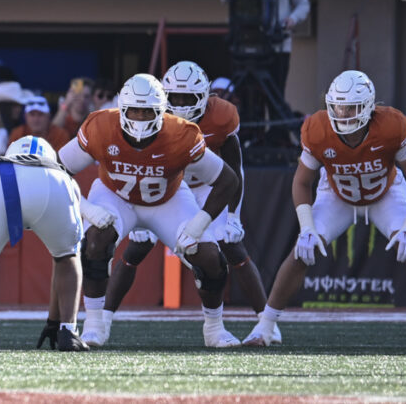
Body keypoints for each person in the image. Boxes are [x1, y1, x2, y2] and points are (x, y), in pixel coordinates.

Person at [243, 70, 406, 349]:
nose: (343, 112)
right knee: (302, 251)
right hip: (336, 195)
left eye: (350, 106)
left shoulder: (391, 125)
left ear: (368, 107)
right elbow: (302, 182)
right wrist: (306, 228)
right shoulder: (318, 129)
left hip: (385, 193)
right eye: (338, 105)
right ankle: (265, 326)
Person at [99, 61, 281, 344]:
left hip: (210, 186)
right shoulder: (152, 112)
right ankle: (103, 321)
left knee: (230, 244)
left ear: (206, 97)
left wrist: (233, 215)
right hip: (168, 184)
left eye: (188, 98)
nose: (181, 105)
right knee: (138, 246)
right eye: (175, 98)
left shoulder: (221, 116)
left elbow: (234, 167)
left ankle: (266, 322)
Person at [56, 74, 241, 348]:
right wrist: (88, 208)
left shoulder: (181, 133)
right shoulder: (101, 126)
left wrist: (199, 224)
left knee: (210, 257)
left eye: (148, 112)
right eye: (135, 111)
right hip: (115, 196)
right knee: (95, 241)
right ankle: (94, 324)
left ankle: (214, 328)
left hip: (169, 199)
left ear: (161, 111)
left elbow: (227, 180)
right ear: (122, 109)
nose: (140, 118)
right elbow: (58, 169)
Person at [0, 135, 88, 352]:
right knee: (67, 257)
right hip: (52, 179)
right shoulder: (63, 174)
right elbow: (63, 263)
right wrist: (54, 321)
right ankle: (69, 329)